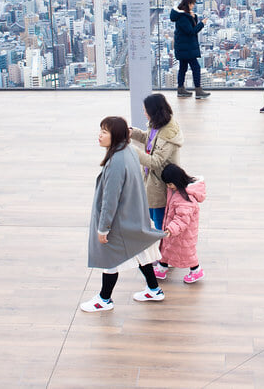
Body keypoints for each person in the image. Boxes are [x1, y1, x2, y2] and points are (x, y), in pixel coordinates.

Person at [81, 116, 167, 313]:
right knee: (140, 252)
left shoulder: (117, 160)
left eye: (104, 131)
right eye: (100, 130)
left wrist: (103, 228)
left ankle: (104, 299)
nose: (100, 135)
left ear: (116, 135)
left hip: (120, 220)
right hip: (133, 215)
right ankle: (154, 289)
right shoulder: (127, 151)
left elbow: (110, 200)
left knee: (110, 258)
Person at [129, 93, 184, 235]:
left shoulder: (168, 133)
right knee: (152, 215)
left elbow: (156, 161)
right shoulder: (156, 125)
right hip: (151, 180)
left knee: (160, 222)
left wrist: (133, 150)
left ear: (153, 112)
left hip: (161, 183)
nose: (144, 113)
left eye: (145, 111)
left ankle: (162, 253)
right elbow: (149, 140)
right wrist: (132, 133)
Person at [157, 163, 206, 284]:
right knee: (166, 249)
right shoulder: (176, 190)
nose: (168, 186)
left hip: (183, 233)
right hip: (175, 231)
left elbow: (182, 219)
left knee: (188, 253)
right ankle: (162, 268)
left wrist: (171, 229)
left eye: (169, 184)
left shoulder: (185, 198)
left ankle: (196, 270)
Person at [169, 0, 210, 99]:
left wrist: (193, 16)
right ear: (188, 4)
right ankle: (198, 91)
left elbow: (191, 26)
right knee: (196, 68)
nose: (193, 6)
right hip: (186, 48)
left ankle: (181, 89)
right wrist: (202, 24)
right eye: (192, 4)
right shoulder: (182, 17)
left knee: (183, 68)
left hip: (184, 47)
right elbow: (191, 31)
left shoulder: (183, 15)